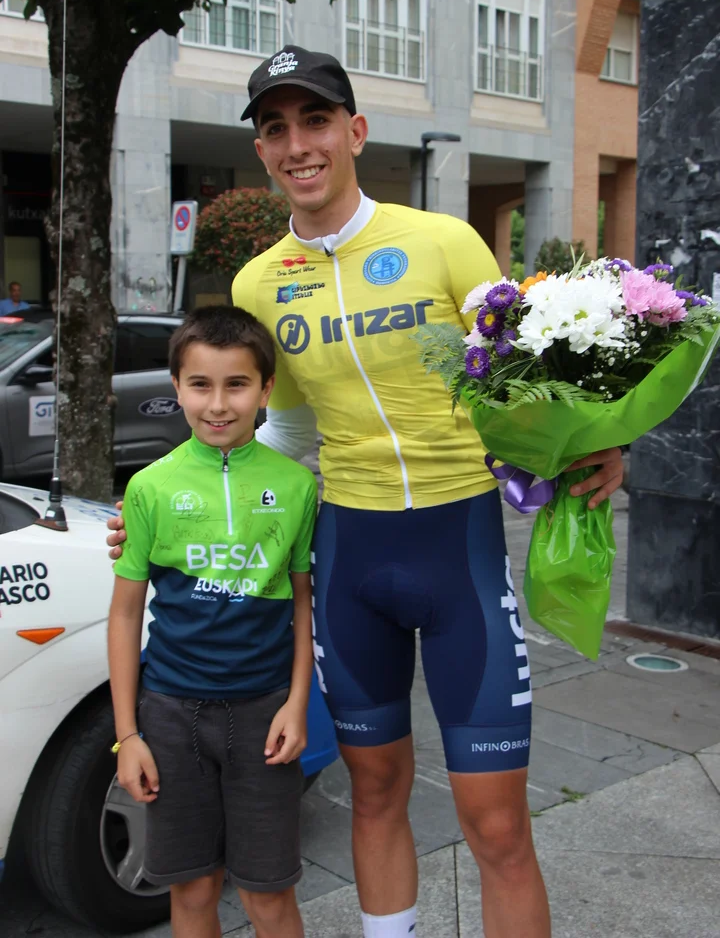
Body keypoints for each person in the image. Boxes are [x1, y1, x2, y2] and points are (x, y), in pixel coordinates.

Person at [108, 47, 624, 938]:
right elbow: (284, 432)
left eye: (315, 121)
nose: (297, 144)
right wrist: (169, 501)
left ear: (355, 131)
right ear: (263, 151)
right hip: (351, 559)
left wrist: (601, 441)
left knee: (497, 823)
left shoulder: (442, 240)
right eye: (276, 129)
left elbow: (528, 379)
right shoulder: (258, 282)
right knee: (375, 790)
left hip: (459, 552)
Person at [107, 305, 317, 938]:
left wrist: (297, 703)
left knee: (268, 897)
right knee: (192, 890)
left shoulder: (297, 486)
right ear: (176, 387)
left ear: (266, 390)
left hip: (264, 713)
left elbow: (302, 601)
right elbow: (125, 613)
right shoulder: (149, 487)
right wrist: (127, 735)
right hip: (170, 715)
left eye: (237, 384)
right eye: (200, 384)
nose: (218, 404)